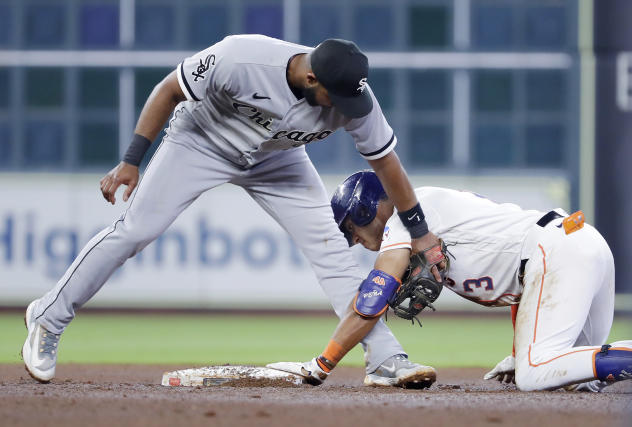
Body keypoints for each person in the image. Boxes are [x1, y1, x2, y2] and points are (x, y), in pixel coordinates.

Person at [21, 36, 446, 385]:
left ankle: (385, 359)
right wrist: (132, 159)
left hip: (277, 158)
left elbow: (387, 164)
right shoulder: (241, 58)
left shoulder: (355, 97)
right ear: (311, 75)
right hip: (199, 141)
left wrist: (420, 231)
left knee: (331, 249)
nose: (345, 108)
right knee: (133, 232)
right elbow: (169, 90)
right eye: (334, 97)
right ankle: (48, 317)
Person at [268, 171, 632, 391]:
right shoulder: (422, 211)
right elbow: (524, 282)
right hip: (579, 243)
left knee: (535, 373)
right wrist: (520, 347)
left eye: (353, 229)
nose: (357, 242)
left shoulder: (403, 219)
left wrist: (323, 364)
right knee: (572, 378)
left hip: (556, 252)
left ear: (367, 209)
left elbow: (371, 300)